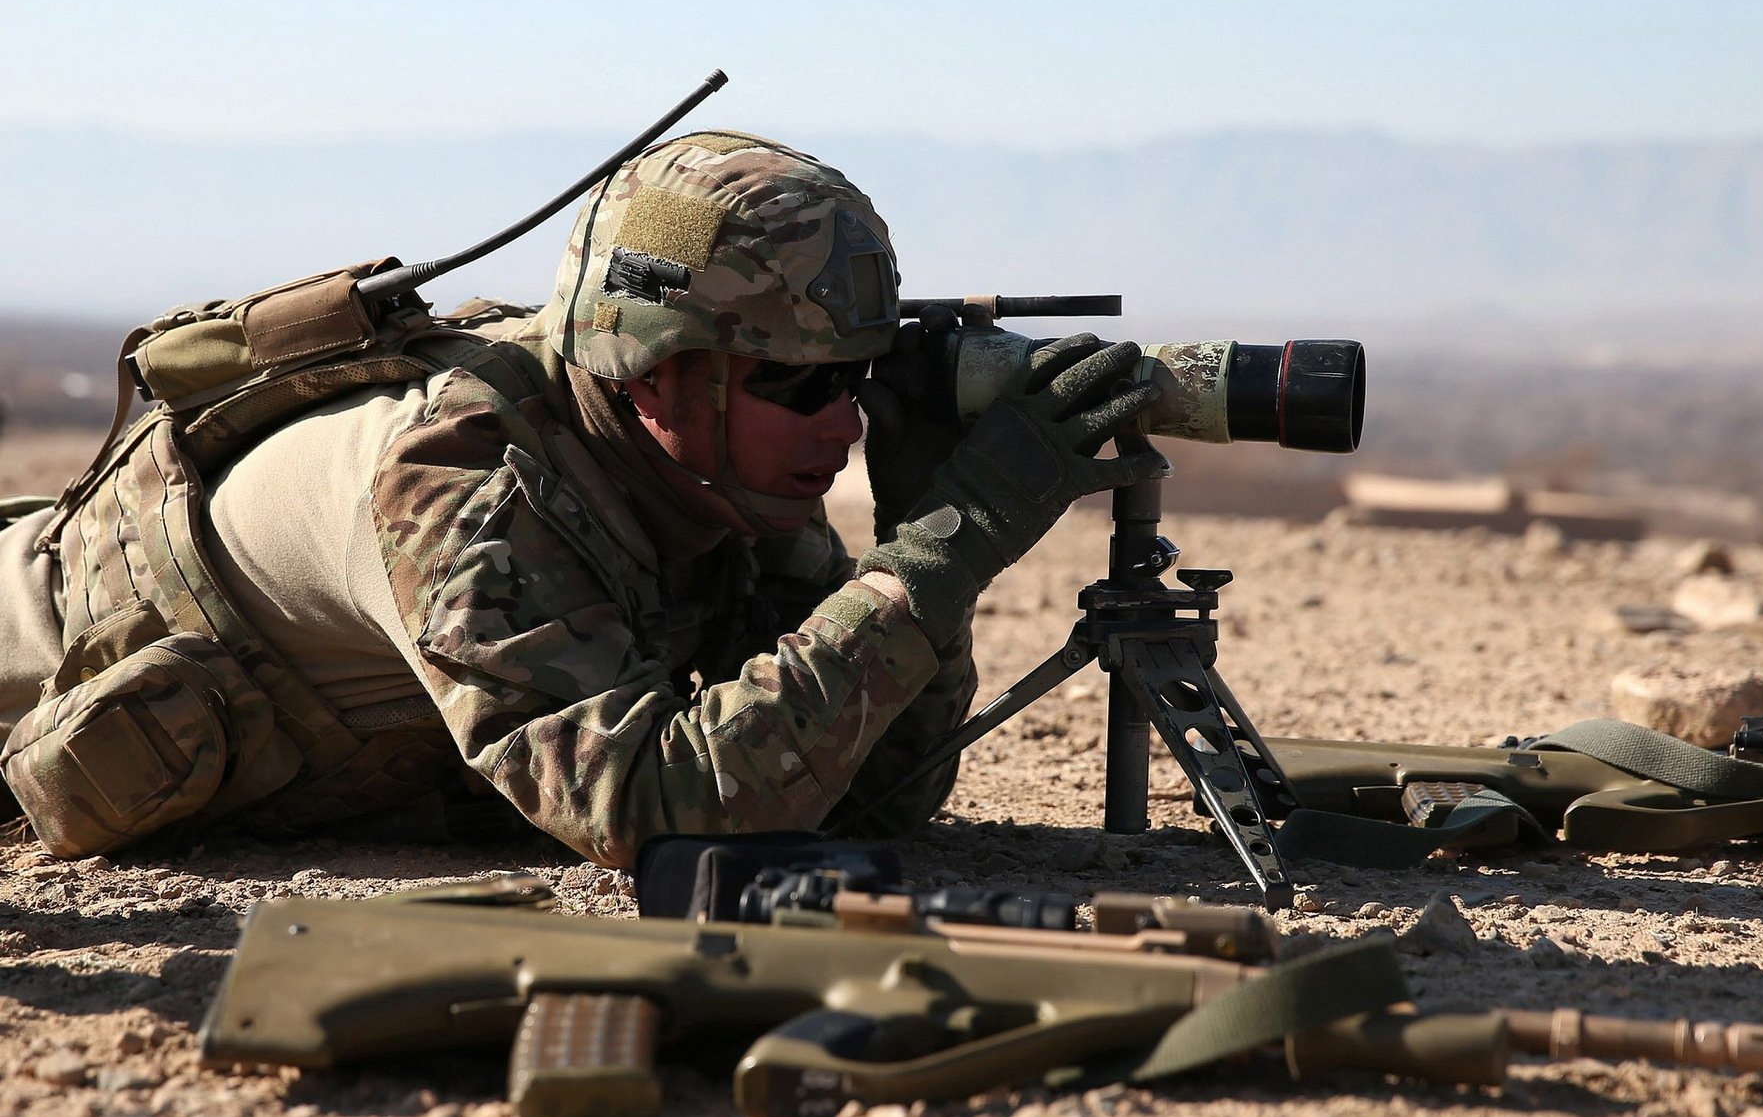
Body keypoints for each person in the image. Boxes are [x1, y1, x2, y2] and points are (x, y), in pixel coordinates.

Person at [0, 131, 1164, 866]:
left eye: (856, 382)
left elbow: (869, 792)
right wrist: (943, 556)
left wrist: (914, 556)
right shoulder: (465, 487)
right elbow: (663, 814)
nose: (842, 423)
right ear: (658, 371)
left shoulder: (709, 467)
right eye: (798, 384)